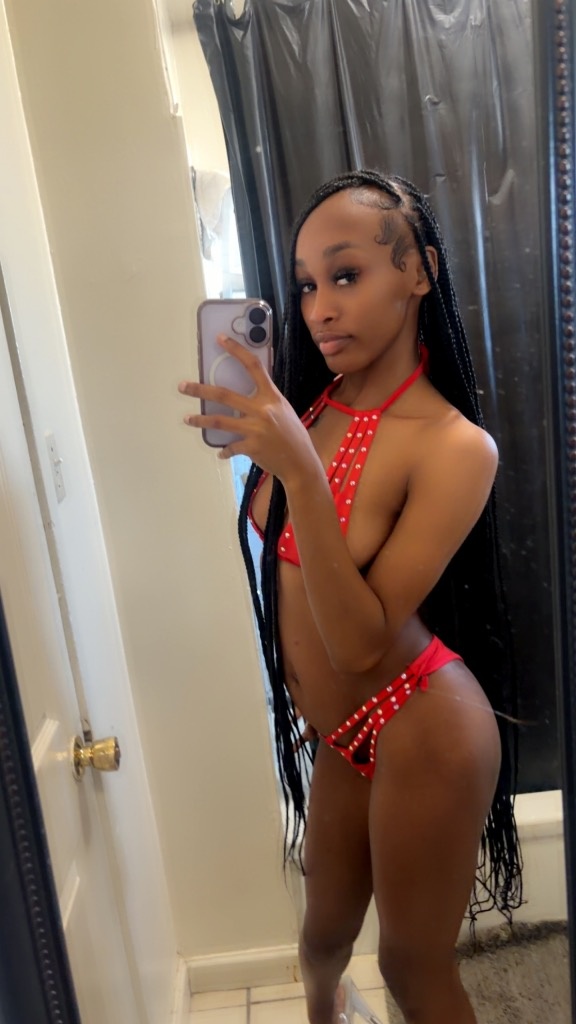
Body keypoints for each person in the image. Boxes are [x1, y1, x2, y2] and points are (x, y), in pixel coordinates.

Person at [179, 170, 523, 1024]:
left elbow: (363, 643)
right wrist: (280, 449)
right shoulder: (309, 407)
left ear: (420, 272)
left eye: (345, 274)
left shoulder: (455, 447)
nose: (320, 308)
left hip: (425, 724)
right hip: (345, 729)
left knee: (412, 966)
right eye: (305, 285)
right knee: (322, 935)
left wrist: (298, 471)